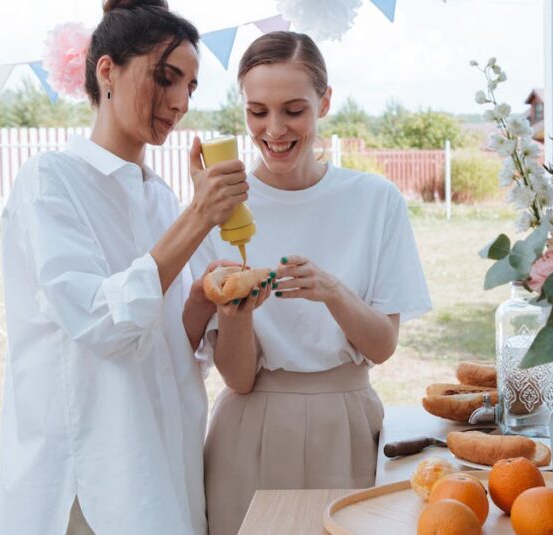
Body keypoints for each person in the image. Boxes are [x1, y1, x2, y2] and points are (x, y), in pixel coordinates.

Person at [0, 1, 247, 533]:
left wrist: (207, 299)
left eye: (191, 87)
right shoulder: (50, 181)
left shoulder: (160, 199)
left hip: (162, 463)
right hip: (90, 477)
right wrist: (199, 216)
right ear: (107, 70)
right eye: (166, 77)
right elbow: (102, 323)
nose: (180, 102)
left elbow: (169, 344)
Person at [194, 31, 432, 535]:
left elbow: (383, 346)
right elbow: (237, 380)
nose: (274, 129)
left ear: (325, 102)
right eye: (257, 111)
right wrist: (236, 317)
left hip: (346, 425)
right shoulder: (219, 207)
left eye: (293, 110)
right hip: (247, 430)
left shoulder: (375, 200)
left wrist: (333, 292)